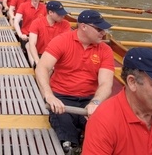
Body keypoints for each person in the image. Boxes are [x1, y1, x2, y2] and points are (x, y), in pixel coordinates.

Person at [35, 10, 115, 153]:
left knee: (104, 126)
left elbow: (106, 84)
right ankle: (71, 145)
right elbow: (42, 67)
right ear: (83, 27)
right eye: (99, 29)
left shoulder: (105, 50)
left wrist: (96, 102)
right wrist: (49, 95)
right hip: (62, 96)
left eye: (104, 29)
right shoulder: (62, 41)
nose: (103, 33)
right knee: (62, 121)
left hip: (90, 99)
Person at [28, 0, 72, 68]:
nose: (63, 16)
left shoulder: (66, 24)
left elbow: (66, 44)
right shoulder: (36, 22)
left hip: (58, 57)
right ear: (50, 12)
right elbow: (32, 44)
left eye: (63, 13)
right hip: (41, 55)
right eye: (59, 14)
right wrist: (37, 61)